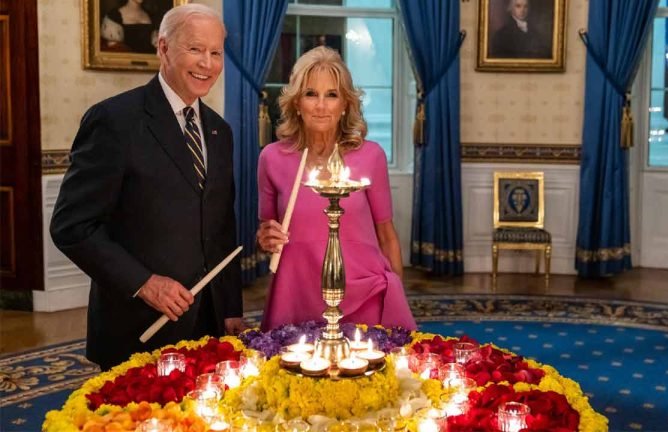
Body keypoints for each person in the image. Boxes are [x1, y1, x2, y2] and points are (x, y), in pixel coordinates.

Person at [50, 4, 245, 371]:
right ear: (163, 48)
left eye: (216, 53)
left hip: (208, 323)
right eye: (195, 49)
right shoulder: (114, 121)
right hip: (138, 325)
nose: (207, 63)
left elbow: (221, 226)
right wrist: (145, 283)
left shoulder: (221, 131)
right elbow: (71, 227)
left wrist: (230, 305)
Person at [256, 46, 417, 331]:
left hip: (364, 293)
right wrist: (265, 238)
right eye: (310, 94)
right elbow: (267, 232)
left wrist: (397, 300)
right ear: (296, 102)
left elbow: (386, 235)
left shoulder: (371, 156)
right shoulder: (271, 158)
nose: (320, 105)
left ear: (345, 104)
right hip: (296, 293)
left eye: (331, 95)